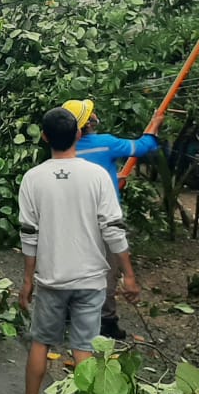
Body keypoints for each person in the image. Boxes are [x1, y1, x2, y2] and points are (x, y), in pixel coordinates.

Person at [9, 107, 140, 394]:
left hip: (52, 279)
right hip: (91, 279)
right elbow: (113, 228)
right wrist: (129, 275)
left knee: (40, 342)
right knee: (83, 349)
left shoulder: (33, 179)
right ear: (79, 135)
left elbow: (30, 235)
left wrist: (28, 280)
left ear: (44, 137)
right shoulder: (97, 176)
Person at [62, 98, 158, 340]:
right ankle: (105, 321)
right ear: (89, 122)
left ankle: (70, 312)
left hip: (73, 218)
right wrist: (154, 125)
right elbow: (143, 147)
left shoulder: (63, 150)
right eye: (91, 114)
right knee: (106, 269)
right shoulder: (106, 144)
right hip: (103, 218)